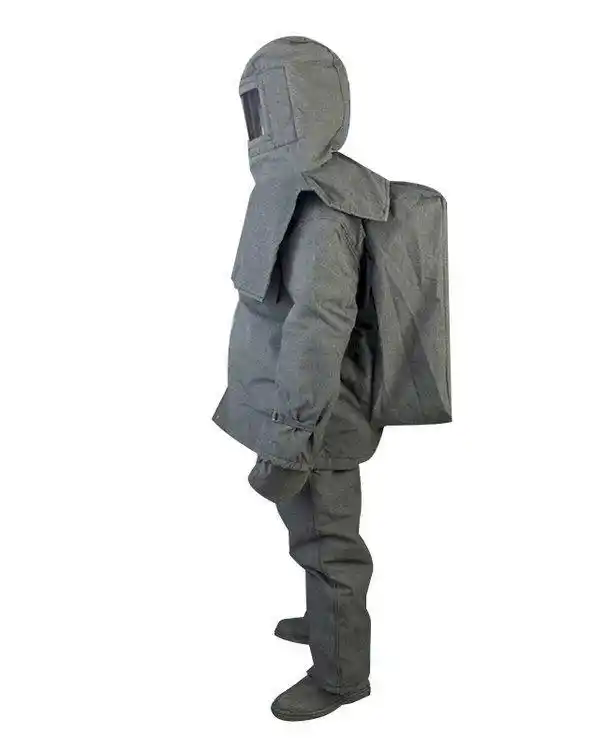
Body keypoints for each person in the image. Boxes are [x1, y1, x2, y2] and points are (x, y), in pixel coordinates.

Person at [213, 36, 391, 721]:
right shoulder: (296, 193)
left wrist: (290, 442)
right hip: (300, 410)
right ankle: (326, 620)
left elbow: (319, 329)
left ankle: (342, 675)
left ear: (296, 105)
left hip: (316, 421)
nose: (258, 124)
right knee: (311, 530)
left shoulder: (322, 208)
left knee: (330, 543)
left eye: (268, 105)